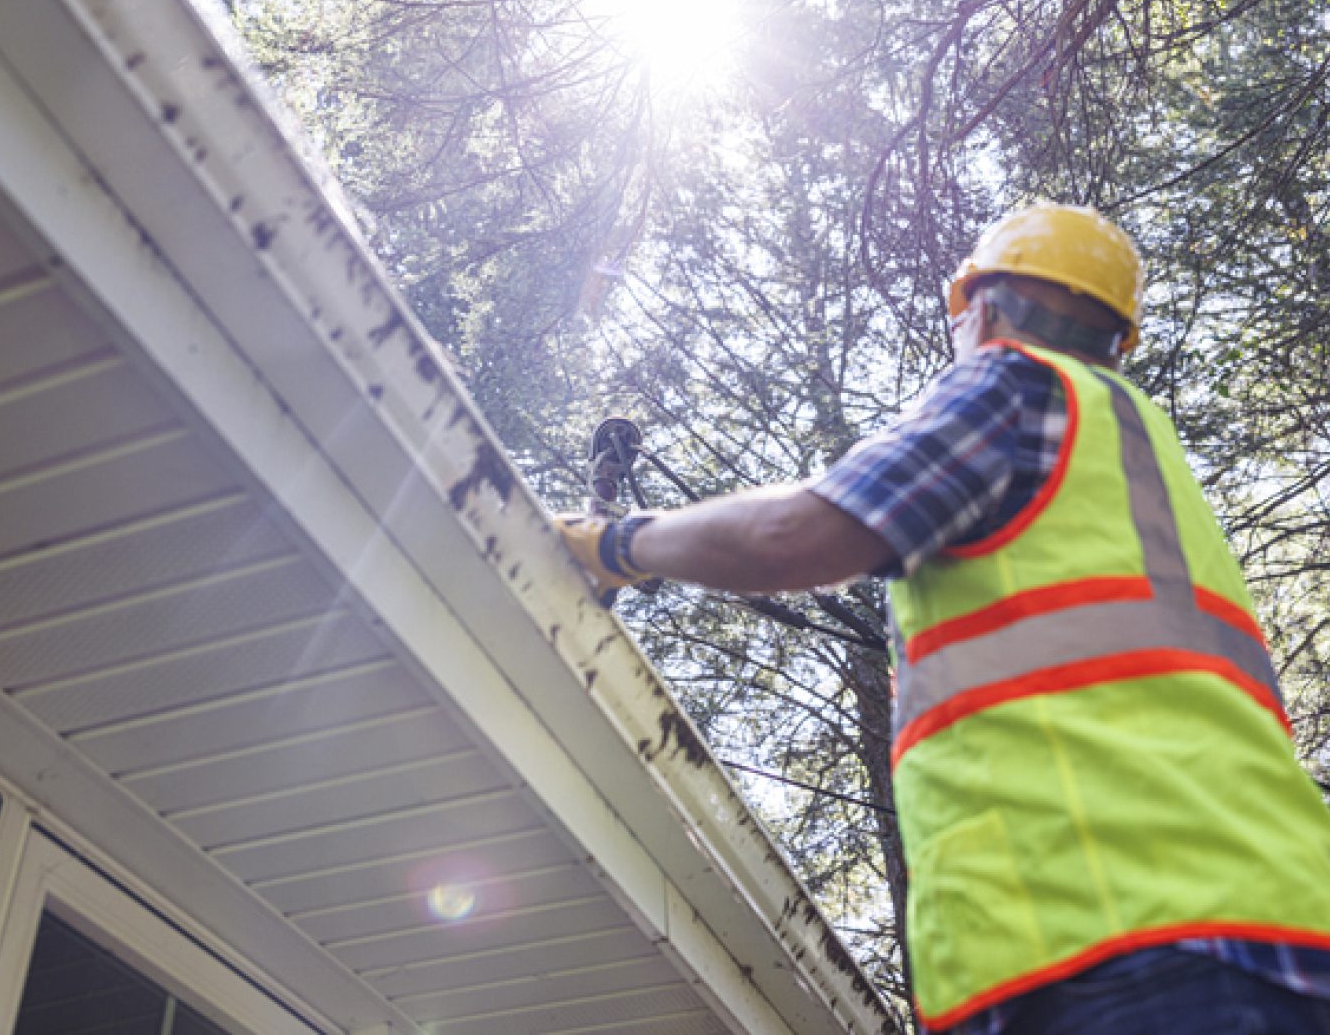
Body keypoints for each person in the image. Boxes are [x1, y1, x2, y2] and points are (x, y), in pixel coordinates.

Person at [557, 204, 1330, 1034]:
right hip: (1279, 932)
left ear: (986, 309)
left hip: (1122, 952)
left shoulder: (1016, 384)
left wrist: (614, 545)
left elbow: (798, 536)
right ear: (1115, 338)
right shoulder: (1142, 456)